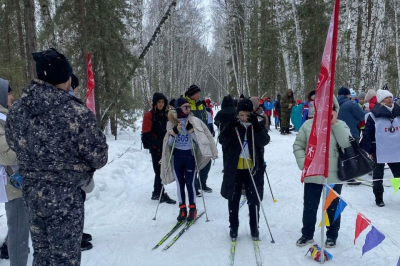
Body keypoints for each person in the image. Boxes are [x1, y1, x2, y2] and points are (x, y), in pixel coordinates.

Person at [5, 48, 109, 265]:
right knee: (64, 259)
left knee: (42, 255)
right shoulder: (75, 112)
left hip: (32, 193)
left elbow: (14, 144)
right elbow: (99, 156)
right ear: (65, 78)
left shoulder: (18, 110)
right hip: (65, 197)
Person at [293, 99, 352, 248]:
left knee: (332, 207)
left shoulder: (341, 125)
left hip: (334, 175)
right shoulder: (308, 125)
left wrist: (335, 123)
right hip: (313, 174)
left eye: (329, 107)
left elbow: (346, 143)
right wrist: (303, 163)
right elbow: (298, 145)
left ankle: (332, 235)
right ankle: (307, 234)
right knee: (310, 207)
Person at [219, 98, 270, 239]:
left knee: (253, 198)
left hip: (253, 168)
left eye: (247, 115)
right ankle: (233, 226)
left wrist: (257, 126)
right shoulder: (234, 125)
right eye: (241, 114)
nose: (244, 118)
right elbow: (222, 140)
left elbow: (264, 141)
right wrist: (229, 127)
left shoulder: (257, 124)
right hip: (235, 168)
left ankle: (254, 226)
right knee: (233, 198)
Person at [161, 98, 217, 221]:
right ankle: (182, 209)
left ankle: (192, 209)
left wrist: (191, 131)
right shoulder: (171, 122)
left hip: (190, 156)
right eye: (185, 107)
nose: (188, 109)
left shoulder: (194, 120)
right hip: (177, 156)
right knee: (180, 184)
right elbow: (169, 143)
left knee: (190, 183)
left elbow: (200, 142)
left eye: (189, 107)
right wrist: (174, 132)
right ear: (178, 108)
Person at [0, 78, 30, 266]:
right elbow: (5, 154)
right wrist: (31, 150)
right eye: (8, 93)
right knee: (18, 230)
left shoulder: (5, 116)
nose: (12, 97)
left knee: (21, 230)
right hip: (12, 184)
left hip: (16, 181)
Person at [67, 74, 97, 251]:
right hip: (72, 167)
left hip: (77, 166)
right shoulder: (71, 106)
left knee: (78, 200)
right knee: (72, 203)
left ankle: (77, 232)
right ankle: (73, 236)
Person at [362, 89, 400, 207]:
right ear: (381, 100)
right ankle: (379, 197)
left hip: (396, 150)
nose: (389, 99)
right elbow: (367, 133)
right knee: (378, 176)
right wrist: (368, 150)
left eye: (390, 97)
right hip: (379, 149)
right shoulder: (373, 115)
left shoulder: (398, 113)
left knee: (398, 175)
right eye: (386, 97)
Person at [141, 93, 176, 204]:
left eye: (162, 102)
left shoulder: (165, 115)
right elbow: (146, 133)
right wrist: (158, 143)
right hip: (156, 147)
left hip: (165, 146)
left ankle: (157, 192)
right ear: (155, 103)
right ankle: (160, 193)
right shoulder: (149, 115)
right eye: (159, 102)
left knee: (161, 169)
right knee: (159, 170)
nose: (161, 104)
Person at [184, 85, 213, 194]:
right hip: (191, 136)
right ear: (191, 94)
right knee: (193, 162)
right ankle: (194, 184)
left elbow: (206, 118)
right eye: (197, 93)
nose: (199, 95)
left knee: (207, 159)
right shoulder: (185, 104)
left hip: (203, 135)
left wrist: (209, 129)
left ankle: (202, 182)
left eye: (199, 93)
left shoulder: (201, 104)